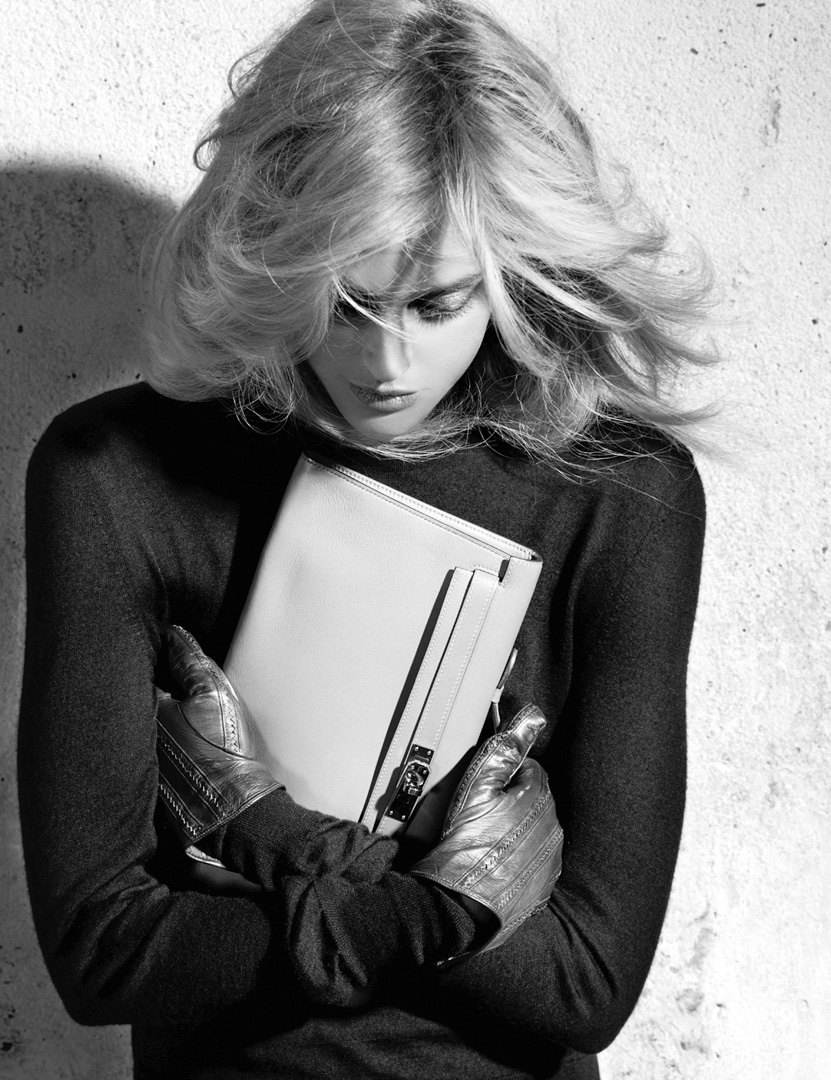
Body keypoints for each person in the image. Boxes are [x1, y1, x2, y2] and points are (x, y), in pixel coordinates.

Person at [17, 1, 712, 1077]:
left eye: (437, 305)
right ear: (277, 254)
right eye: (346, 302)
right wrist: (457, 904)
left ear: (512, 270)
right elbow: (103, 956)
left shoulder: (622, 494)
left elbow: (587, 985)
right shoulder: (113, 474)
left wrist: (261, 832)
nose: (387, 365)